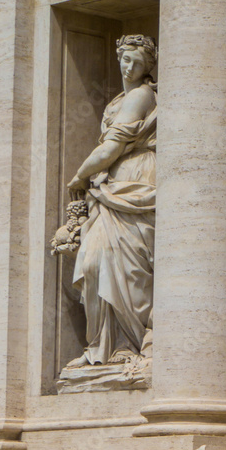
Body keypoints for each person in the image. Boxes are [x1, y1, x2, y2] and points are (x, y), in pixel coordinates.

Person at [64, 34, 157, 370]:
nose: (128, 66)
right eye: (124, 58)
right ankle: (100, 346)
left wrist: (80, 175)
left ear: (148, 67)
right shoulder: (118, 99)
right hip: (109, 184)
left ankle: (126, 345)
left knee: (128, 263)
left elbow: (113, 146)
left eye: (136, 61)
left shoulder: (143, 95)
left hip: (134, 180)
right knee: (93, 261)